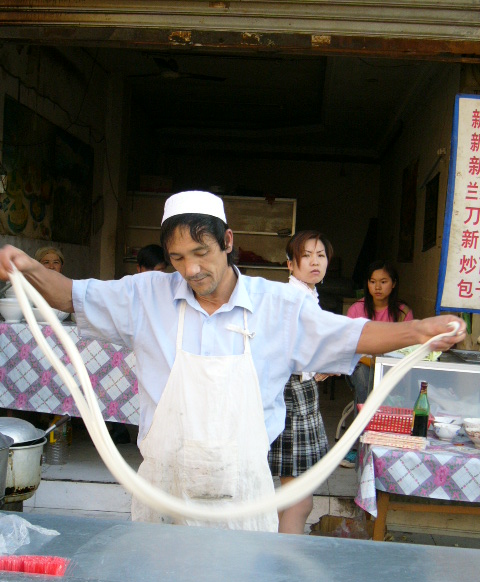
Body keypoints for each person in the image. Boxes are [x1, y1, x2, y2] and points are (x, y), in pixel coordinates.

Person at [0, 191, 465, 531]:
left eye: (201, 253)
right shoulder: (145, 295)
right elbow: (72, 295)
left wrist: (418, 330)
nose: (191, 269)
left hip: (244, 492)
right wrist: (28, 267)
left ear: (228, 241)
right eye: (178, 258)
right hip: (162, 490)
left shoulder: (279, 306)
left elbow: (353, 334)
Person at [269, 230, 334, 534]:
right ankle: (284, 559)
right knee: (299, 500)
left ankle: (275, 549)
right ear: (290, 264)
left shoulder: (307, 295)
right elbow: (285, 349)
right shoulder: (291, 298)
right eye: (306, 256)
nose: (314, 262)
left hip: (303, 394)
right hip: (291, 396)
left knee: (292, 496)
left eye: (320, 255)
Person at [341, 259, 414, 468]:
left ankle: (385, 445)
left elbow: (407, 349)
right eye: (372, 282)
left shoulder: (402, 313)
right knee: (365, 377)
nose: (377, 287)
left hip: (391, 369)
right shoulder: (357, 309)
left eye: (383, 281)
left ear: (394, 283)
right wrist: (372, 359)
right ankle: (360, 446)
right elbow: (349, 346)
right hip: (360, 367)